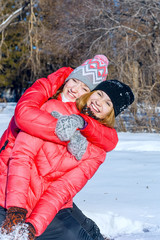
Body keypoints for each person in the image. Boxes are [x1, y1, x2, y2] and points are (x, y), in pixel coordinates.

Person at [0, 55, 118, 239]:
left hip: (44, 184)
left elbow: (107, 138)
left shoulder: (81, 114)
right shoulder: (46, 95)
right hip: (9, 172)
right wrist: (64, 132)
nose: (76, 89)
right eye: (75, 81)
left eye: (85, 88)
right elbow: (24, 117)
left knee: (79, 226)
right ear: (68, 78)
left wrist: (81, 125)